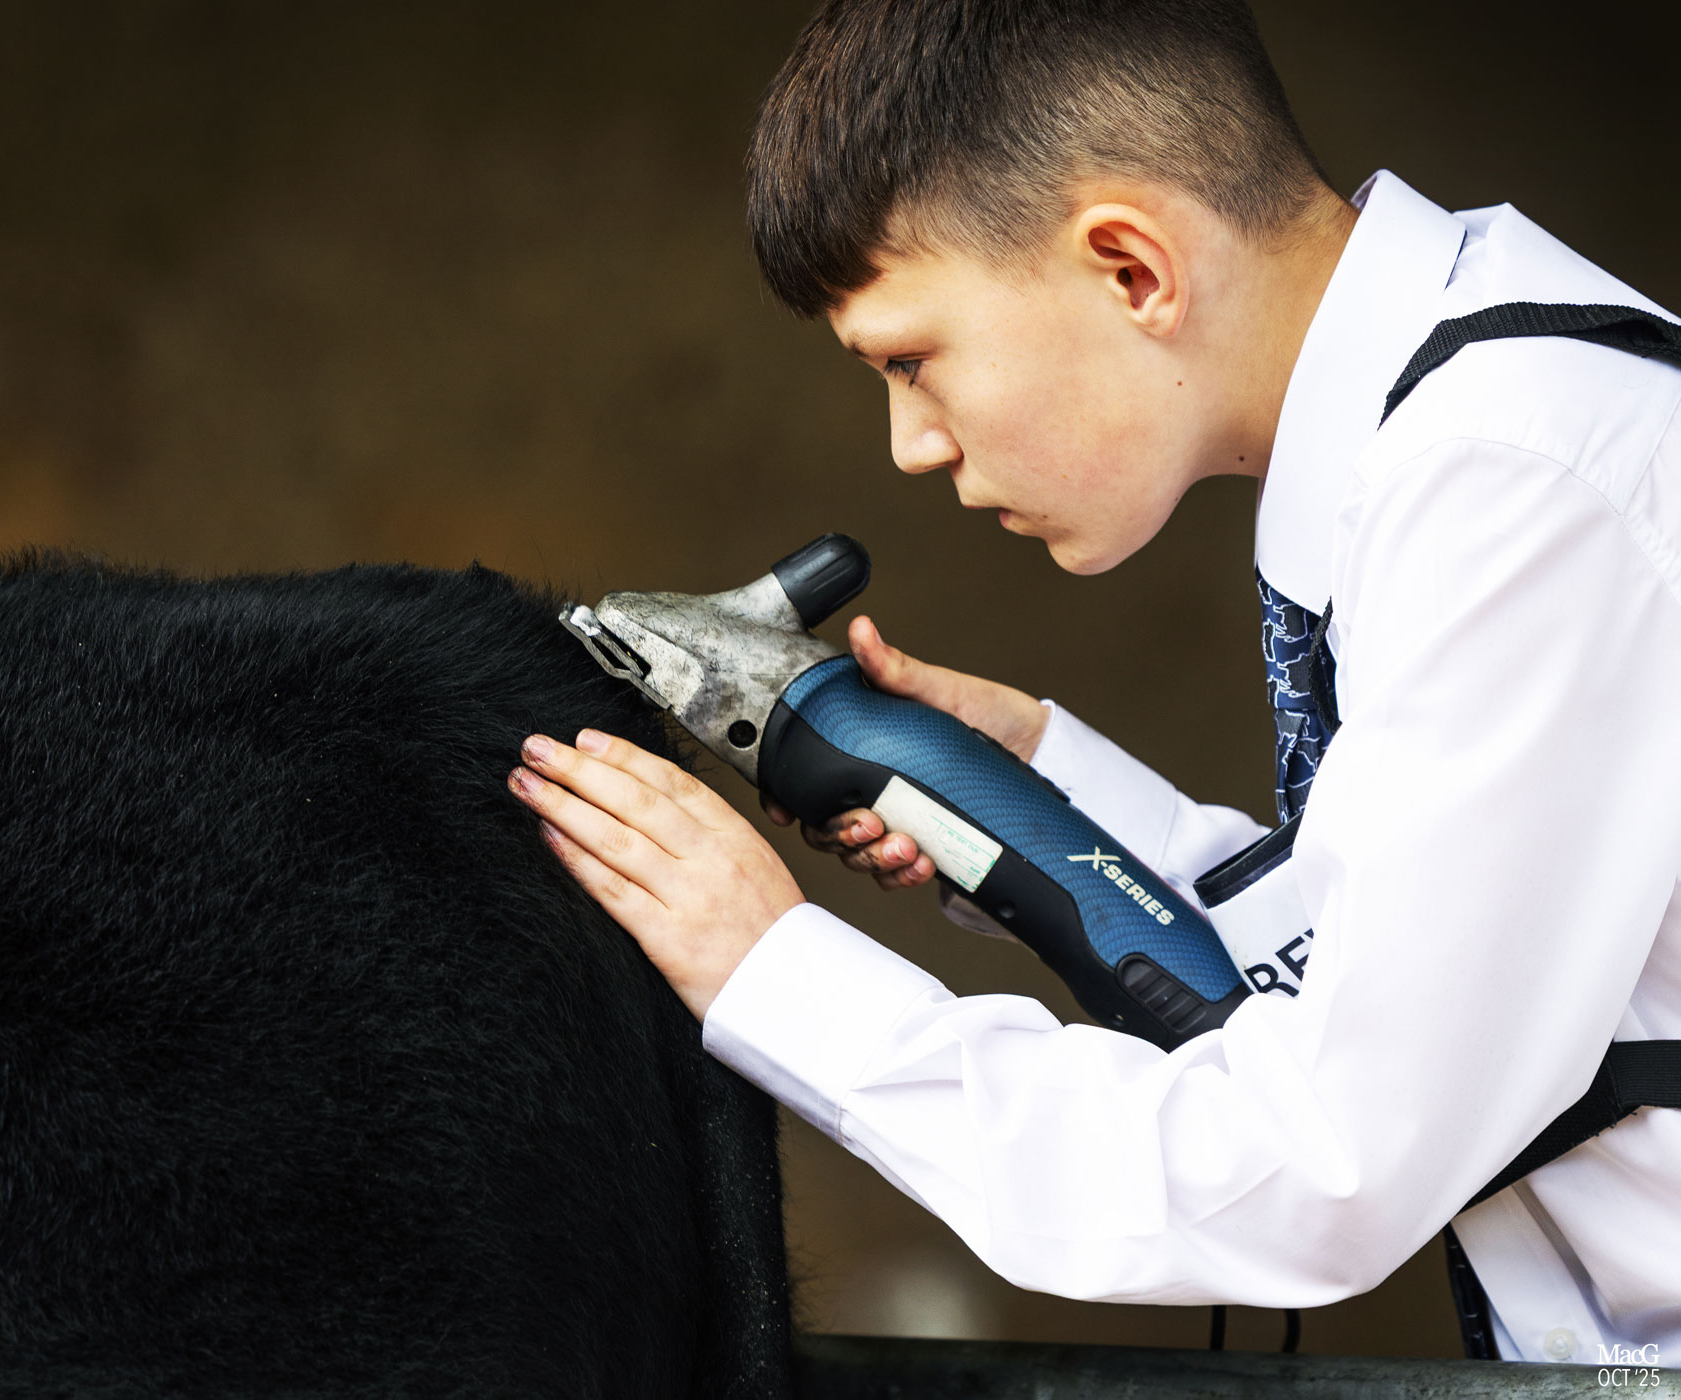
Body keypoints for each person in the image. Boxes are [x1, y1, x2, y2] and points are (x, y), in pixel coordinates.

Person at [506, 0, 1681, 1364]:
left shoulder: (1514, 484)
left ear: (1131, 268)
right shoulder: (1456, 422)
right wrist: (1027, 783)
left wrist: (775, 978)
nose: (909, 444)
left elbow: (1323, 1168)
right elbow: (1394, 965)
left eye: (911, 360)